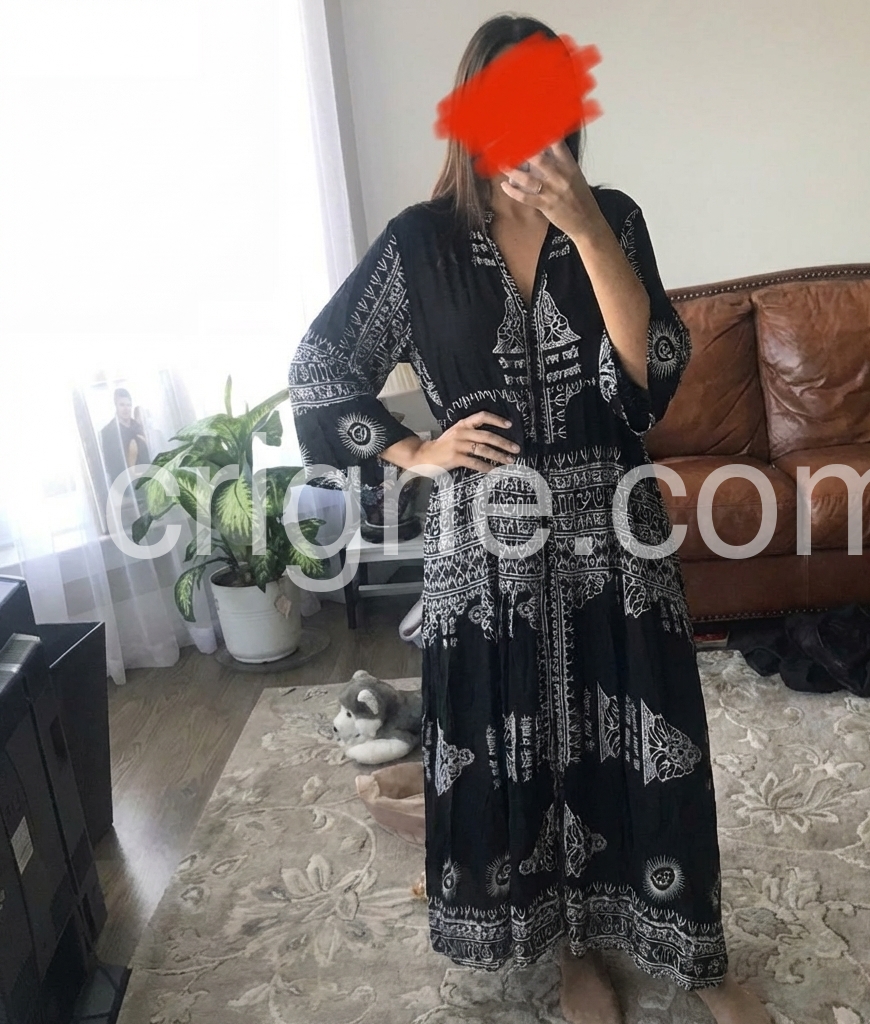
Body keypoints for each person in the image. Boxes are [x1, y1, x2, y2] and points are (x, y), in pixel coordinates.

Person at [289, 15, 770, 1024]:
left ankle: (690, 944)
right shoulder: (419, 243)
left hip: (614, 526)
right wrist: (414, 449)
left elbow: (649, 377)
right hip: (485, 542)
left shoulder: (615, 216)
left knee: (644, 731)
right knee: (520, 743)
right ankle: (572, 951)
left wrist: (587, 228)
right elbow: (323, 366)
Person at [99, 387, 150, 485]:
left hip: (146, 481)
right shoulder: (108, 432)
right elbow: (110, 466)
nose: (126, 409)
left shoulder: (138, 427)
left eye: (128, 405)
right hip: (124, 484)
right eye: (122, 405)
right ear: (115, 406)